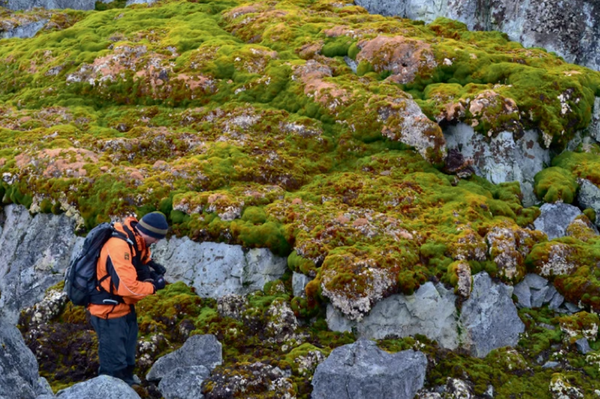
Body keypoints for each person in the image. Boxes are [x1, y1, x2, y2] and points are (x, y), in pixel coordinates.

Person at [87, 211, 169, 386]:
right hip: (108, 312)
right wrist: (154, 287)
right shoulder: (119, 246)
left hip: (124, 308)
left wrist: (151, 268)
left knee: (128, 359)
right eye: (157, 238)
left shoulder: (135, 240)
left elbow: (141, 260)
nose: (157, 242)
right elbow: (127, 288)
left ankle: (128, 385)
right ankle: (109, 390)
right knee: (113, 366)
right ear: (150, 233)